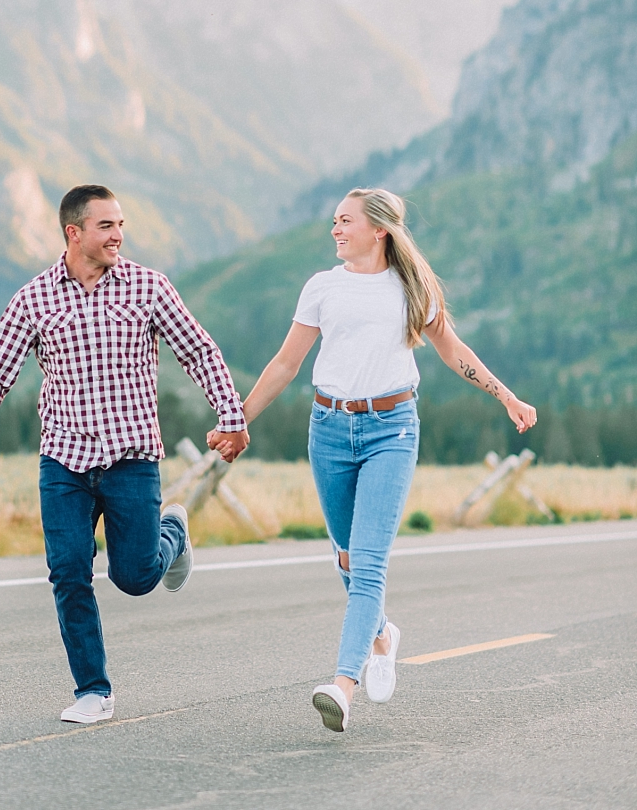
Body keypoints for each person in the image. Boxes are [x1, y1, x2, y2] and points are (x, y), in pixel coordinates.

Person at [208, 187, 537, 735]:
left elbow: (453, 350)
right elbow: (287, 364)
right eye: (334, 222)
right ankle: (381, 634)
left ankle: (342, 683)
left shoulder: (411, 288)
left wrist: (505, 395)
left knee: (367, 561)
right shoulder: (322, 288)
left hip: (392, 429)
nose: (335, 230)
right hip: (330, 430)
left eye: (344, 221)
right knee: (346, 557)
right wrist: (238, 420)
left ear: (378, 229)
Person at [0, 184, 249, 724]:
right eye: (106, 226)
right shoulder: (33, 299)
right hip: (63, 460)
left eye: (120, 225)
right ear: (74, 233)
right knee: (68, 571)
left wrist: (230, 416)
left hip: (131, 458)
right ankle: (93, 690)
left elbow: (199, 351)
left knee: (135, 578)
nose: (119, 235)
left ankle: (173, 531)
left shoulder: (147, 287)